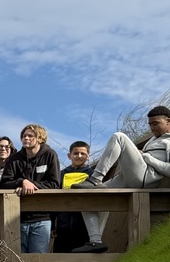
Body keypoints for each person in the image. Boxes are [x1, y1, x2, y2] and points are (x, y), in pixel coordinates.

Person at [72, 105, 170, 253]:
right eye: (150, 124)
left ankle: (95, 179)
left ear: (168, 121)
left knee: (119, 137)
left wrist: (147, 157)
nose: (152, 128)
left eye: (155, 123)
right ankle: (95, 242)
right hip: (130, 177)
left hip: (147, 178)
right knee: (87, 197)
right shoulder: (153, 140)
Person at [0, 124, 60, 262]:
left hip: (42, 217)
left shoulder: (50, 155)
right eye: (24, 136)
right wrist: (21, 182)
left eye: (30, 135)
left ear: (40, 138)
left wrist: (31, 186)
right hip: (16, 217)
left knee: (38, 261)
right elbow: (4, 184)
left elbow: (54, 184)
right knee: (17, 261)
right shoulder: (13, 159)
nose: (26, 138)